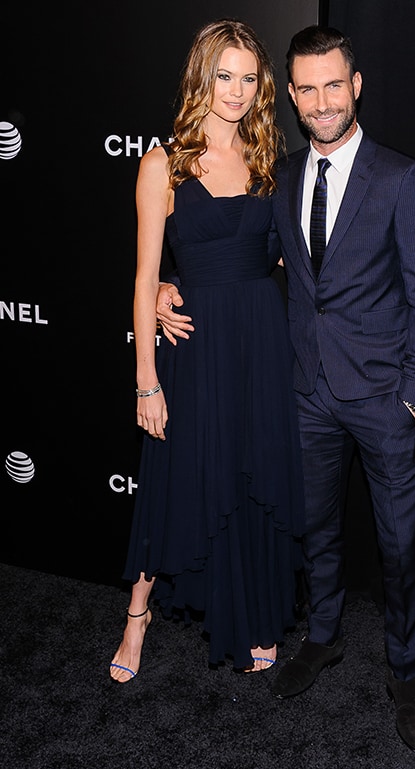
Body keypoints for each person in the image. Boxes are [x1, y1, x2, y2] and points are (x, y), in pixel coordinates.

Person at [157, 25, 415, 755]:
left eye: (334, 85)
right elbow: (236, 258)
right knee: (316, 529)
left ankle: (407, 674)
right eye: (306, 88)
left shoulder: (404, 178)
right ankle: (321, 636)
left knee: (398, 544)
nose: (322, 101)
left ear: (356, 87)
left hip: (385, 398)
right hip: (306, 391)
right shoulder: (279, 175)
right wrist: (167, 283)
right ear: (290, 96)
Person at [109, 18, 305, 684]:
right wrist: (145, 380)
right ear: (201, 76)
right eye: (225, 75)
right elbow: (142, 278)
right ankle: (137, 615)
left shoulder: (271, 161)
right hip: (194, 349)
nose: (238, 90)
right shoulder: (161, 162)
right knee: (173, 479)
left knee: (251, 476)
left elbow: (281, 259)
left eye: (250, 78)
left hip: (261, 341)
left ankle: (255, 614)